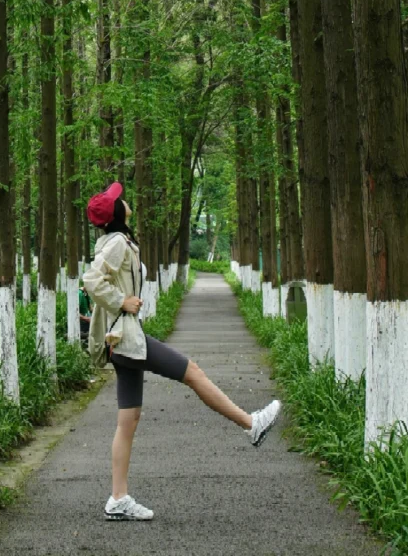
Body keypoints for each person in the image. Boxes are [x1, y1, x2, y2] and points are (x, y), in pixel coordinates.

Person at [82, 181, 281, 523]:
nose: (125, 200)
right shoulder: (115, 243)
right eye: (120, 200)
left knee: (128, 420)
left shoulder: (118, 240)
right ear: (115, 214)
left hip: (123, 339)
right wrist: (123, 302)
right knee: (193, 372)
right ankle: (251, 425)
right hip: (127, 340)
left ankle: (118, 497)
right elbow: (91, 280)